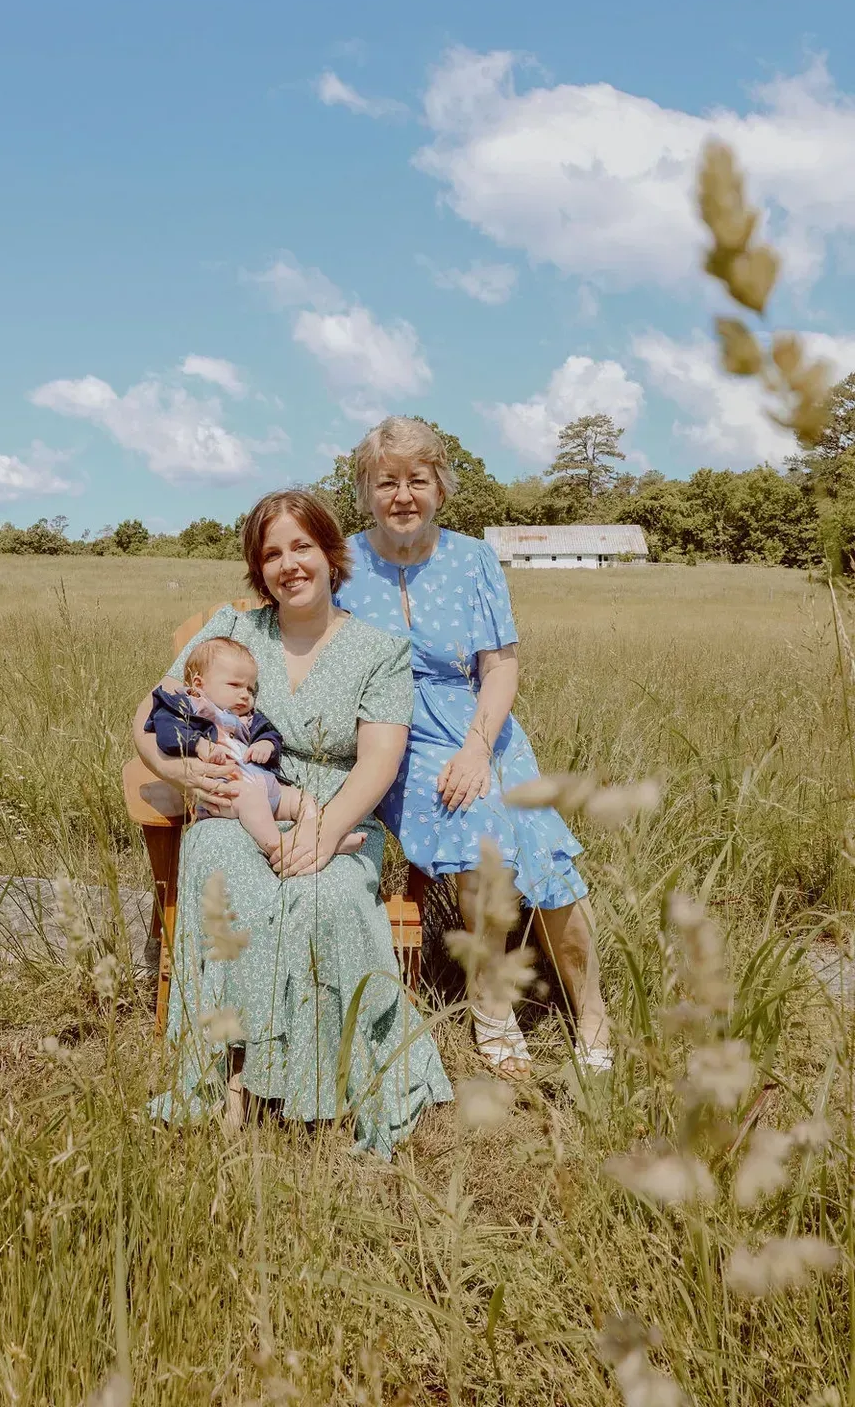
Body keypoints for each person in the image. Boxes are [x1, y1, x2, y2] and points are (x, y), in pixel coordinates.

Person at [132, 488, 452, 1155]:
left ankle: (324, 1081)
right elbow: (149, 718)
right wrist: (186, 774)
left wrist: (323, 830)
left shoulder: (379, 651)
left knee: (324, 896)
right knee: (221, 869)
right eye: (271, 553)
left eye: (301, 546)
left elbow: (380, 758)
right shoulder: (233, 632)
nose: (289, 564)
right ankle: (230, 1077)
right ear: (259, 568)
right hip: (236, 807)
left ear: (330, 553)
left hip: (342, 817)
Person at [335, 416, 611, 1076]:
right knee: (476, 823)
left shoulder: (474, 558)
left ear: (440, 488)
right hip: (394, 730)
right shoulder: (341, 561)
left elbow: (501, 667)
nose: (402, 495)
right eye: (386, 482)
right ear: (365, 491)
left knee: (542, 843)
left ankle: (592, 1011)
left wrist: (478, 747)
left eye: (417, 480)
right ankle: (491, 1005)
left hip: (480, 723)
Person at [145, 634, 365, 859]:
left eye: (250, 689)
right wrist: (199, 744)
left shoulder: (248, 718)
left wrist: (266, 743)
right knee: (251, 798)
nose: (245, 695)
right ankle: (278, 846)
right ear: (199, 684)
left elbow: (271, 733)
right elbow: (165, 728)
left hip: (269, 789)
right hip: (229, 794)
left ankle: (319, 838)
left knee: (303, 799)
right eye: (235, 685)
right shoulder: (189, 706)